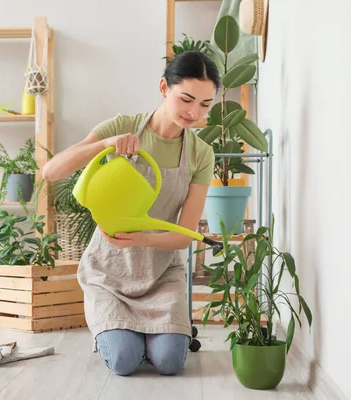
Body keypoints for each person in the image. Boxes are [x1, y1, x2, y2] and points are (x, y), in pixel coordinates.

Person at [41, 51, 220, 376]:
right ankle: (117, 332)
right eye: (187, 99)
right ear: (164, 87)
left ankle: (146, 335)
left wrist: (138, 238)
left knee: (168, 362)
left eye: (205, 105)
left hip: (161, 274)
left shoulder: (200, 154)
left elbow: (183, 236)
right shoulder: (124, 126)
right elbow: (51, 171)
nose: (194, 113)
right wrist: (105, 144)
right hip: (109, 271)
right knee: (124, 360)